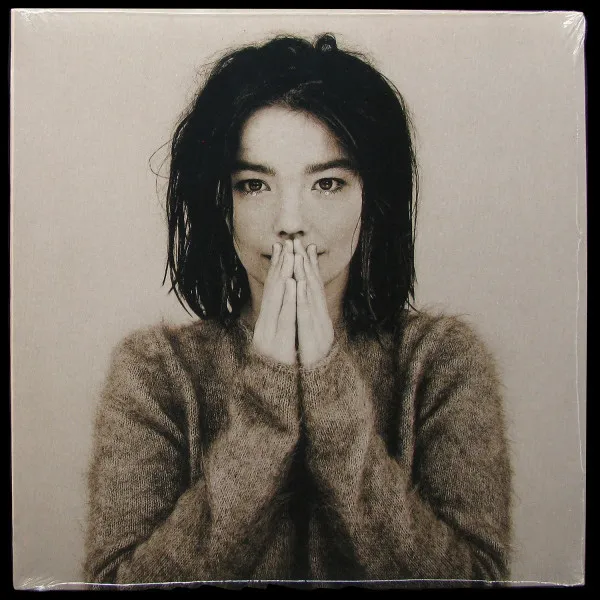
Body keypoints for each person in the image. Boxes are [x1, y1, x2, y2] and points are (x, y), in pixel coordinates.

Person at [83, 33, 512, 587]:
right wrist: (268, 400)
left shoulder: (442, 362)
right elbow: (116, 584)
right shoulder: (155, 371)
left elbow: (478, 581)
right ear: (220, 202)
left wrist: (330, 391)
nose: (290, 222)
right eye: (254, 185)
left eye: (327, 184)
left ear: (371, 200)